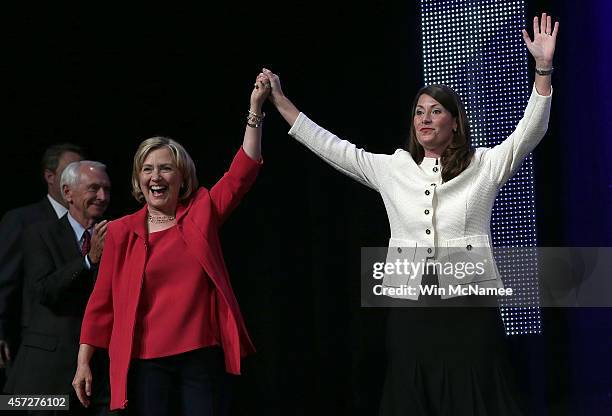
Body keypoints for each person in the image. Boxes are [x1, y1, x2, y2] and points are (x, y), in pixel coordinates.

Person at [261, 13, 558, 415]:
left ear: (455, 123)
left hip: (470, 300)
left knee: (478, 389)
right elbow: (333, 147)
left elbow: (530, 130)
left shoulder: (483, 164)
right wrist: (280, 103)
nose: (425, 119)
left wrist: (542, 69)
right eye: (420, 112)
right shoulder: (394, 168)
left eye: (436, 111)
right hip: (411, 301)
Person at [73, 72, 269, 415]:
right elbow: (100, 303)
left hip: (200, 357)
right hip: (147, 363)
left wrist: (255, 109)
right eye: (147, 169)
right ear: (138, 179)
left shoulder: (201, 211)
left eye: (165, 169)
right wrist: (84, 361)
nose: (155, 177)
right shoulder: (121, 231)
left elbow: (243, 172)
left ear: (182, 177)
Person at [4, 161, 112, 416]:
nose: (102, 196)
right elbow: (44, 290)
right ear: (67, 193)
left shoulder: (117, 234)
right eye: (94, 188)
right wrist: (88, 261)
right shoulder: (39, 233)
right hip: (45, 373)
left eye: (107, 189)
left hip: (101, 371)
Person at [0, 144, 84, 376]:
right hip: (33, 343)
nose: (79, 179)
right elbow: (5, 281)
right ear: (50, 176)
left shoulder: (92, 221)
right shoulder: (23, 220)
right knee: (35, 405)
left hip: (78, 345)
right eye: (71, 172)